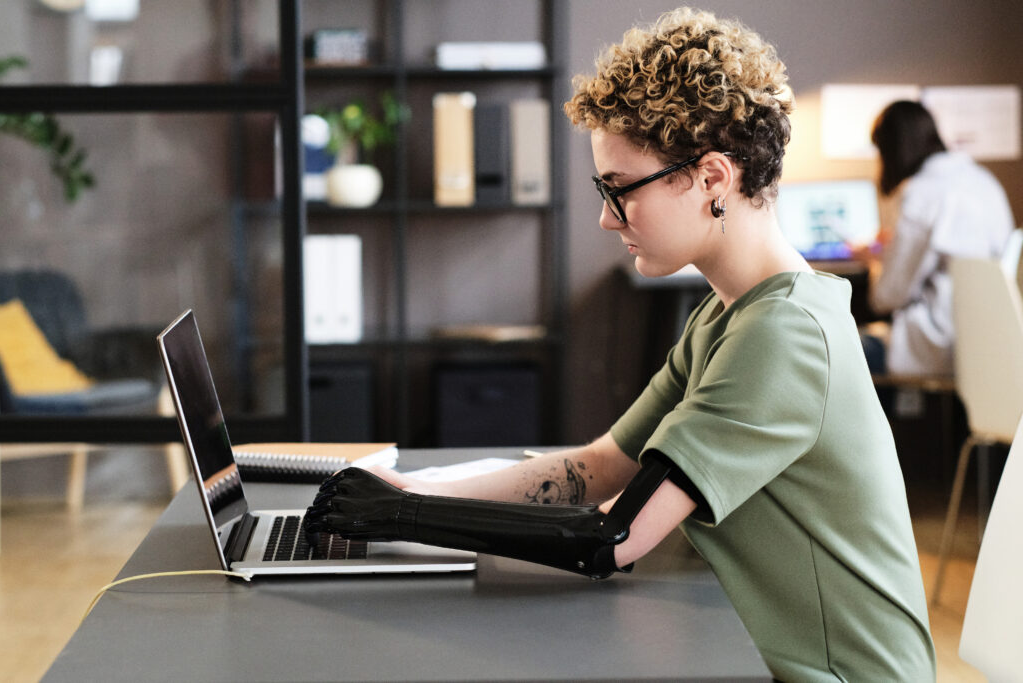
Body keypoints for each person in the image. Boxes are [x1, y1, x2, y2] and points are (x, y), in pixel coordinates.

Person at [305, 8, 936, 680]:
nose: (607, 217)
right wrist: (412, 487)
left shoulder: (784, 335)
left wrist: (405, 514)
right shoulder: (728, 316)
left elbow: (614, 535)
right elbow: (600, 464)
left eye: (620, 190)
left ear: (713, 179)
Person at [857, 100, 1015, 376]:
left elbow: (886, 297)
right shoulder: (981, 180)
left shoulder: (922, 193)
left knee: (842, 347)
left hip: (942, 341)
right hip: (993, 334)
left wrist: (874, 261)